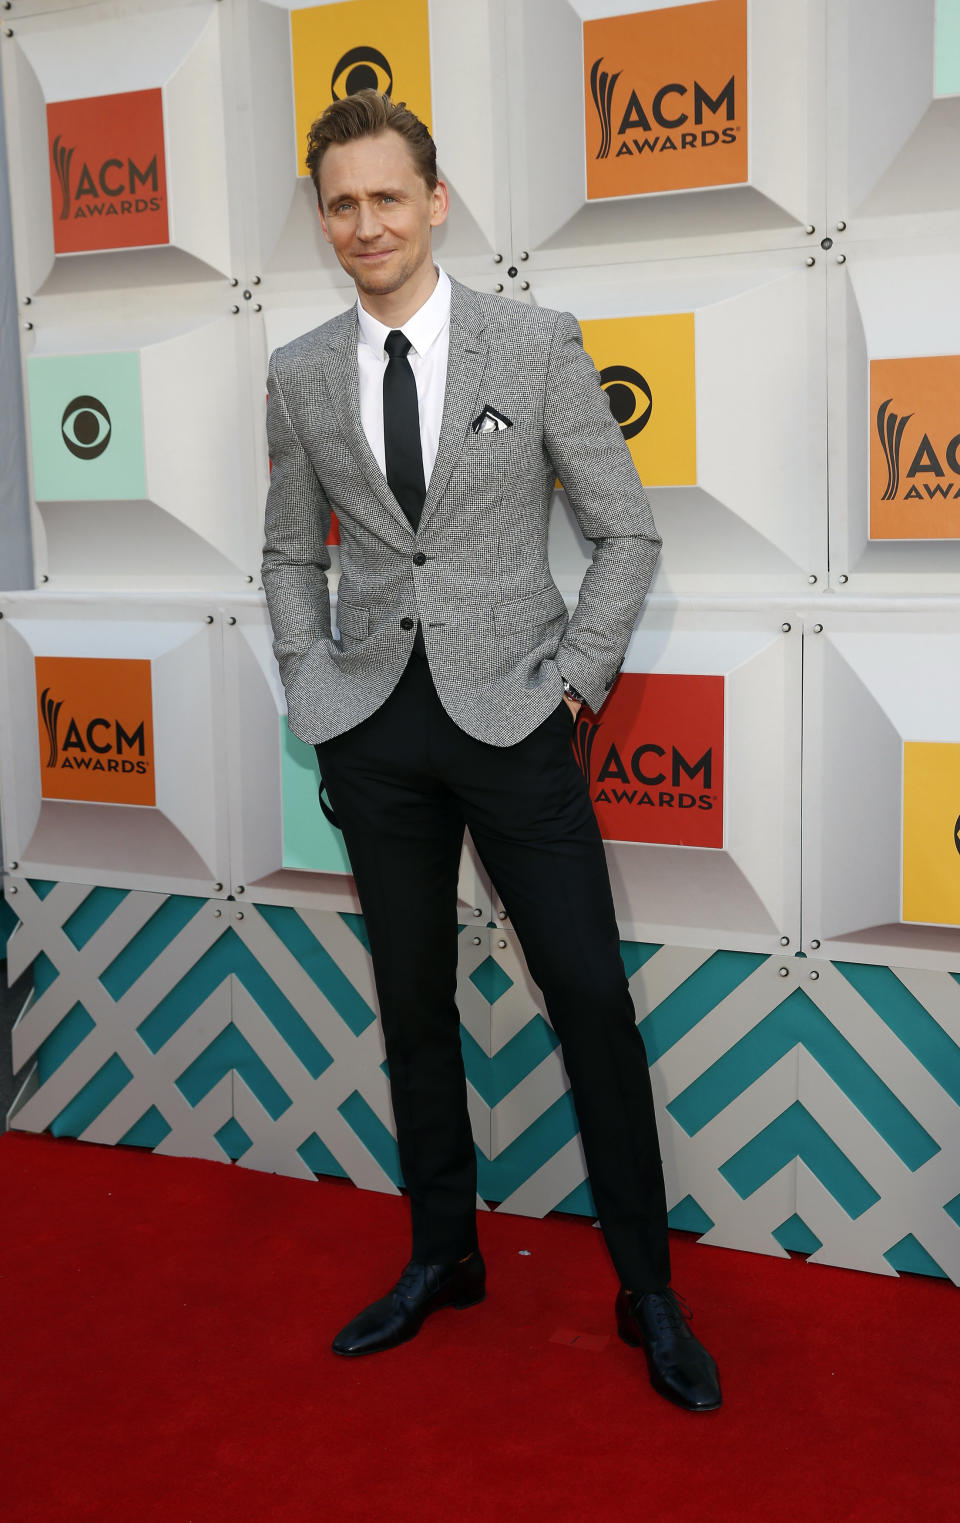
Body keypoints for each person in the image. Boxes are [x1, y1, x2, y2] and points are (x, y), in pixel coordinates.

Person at [261, 89, 721, 1413]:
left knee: (589, 999)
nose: (366, 224)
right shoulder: (297, 371)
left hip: (519, 716)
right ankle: (443, 1255)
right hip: (375, 730)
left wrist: (577, 682)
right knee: (412, 1011)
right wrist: (311, 683)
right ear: (325, 216)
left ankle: (647, 1291)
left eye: (387, 197)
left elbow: (625, 531)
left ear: (435, 199)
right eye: (342, 203)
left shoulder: (533, 346)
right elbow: (293, 551)